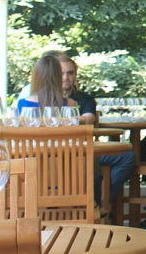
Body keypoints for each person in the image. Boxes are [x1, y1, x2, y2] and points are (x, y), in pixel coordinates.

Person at [57, 53, 137, 208]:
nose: (66, 77)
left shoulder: (85, 99)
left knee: (127, 156)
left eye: (70, 73)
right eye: (61, 73)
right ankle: (94, 202)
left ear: (75, 75)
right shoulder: (45, 99)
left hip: (83, 149)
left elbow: (88, 120)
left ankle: (100, 199)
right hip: (54, 152)